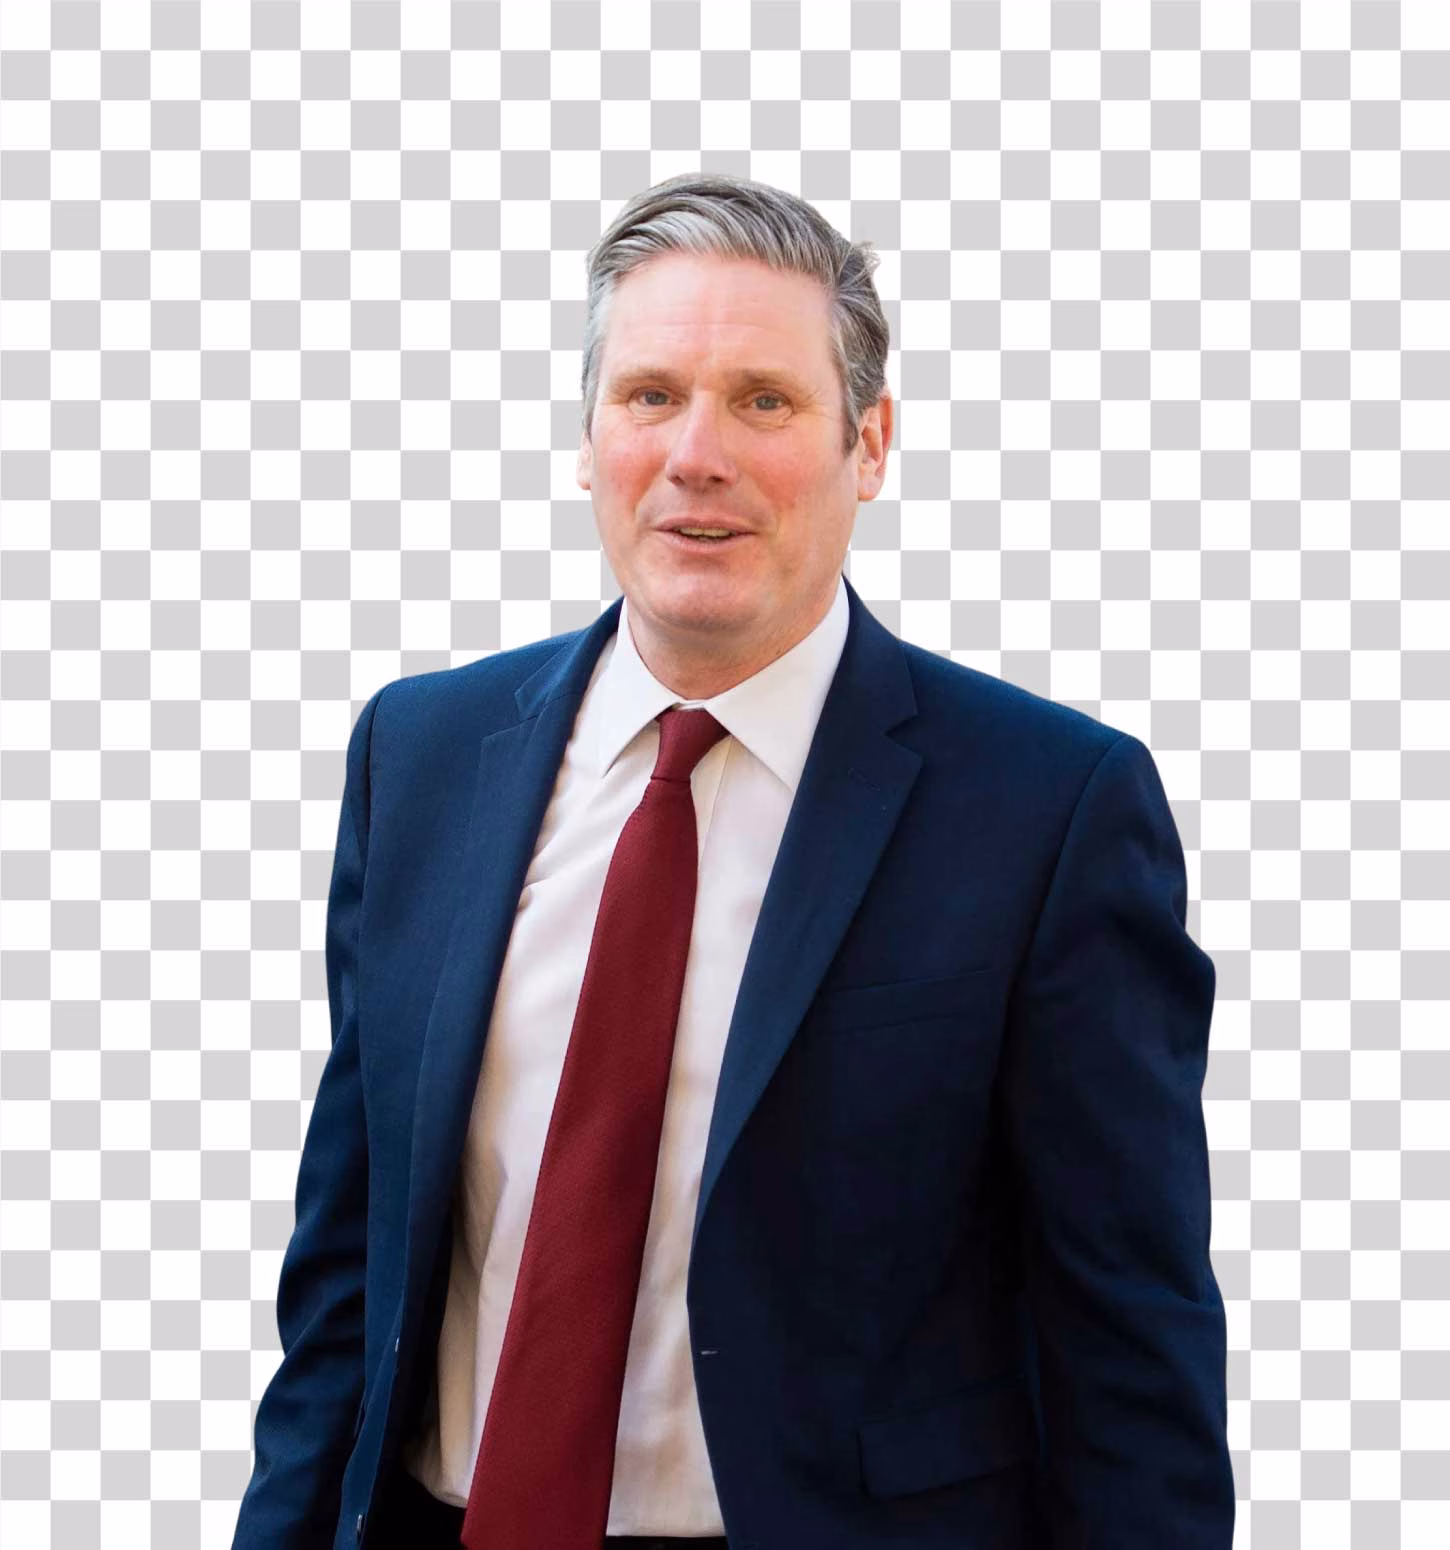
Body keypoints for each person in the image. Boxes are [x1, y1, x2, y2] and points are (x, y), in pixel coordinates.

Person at [232, 172, 1233, 1550]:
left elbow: (1128, 1336)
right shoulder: (421, 757)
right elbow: (345, 1275)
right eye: (651, 395)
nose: (696, 454)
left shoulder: (1048, 809)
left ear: (868, 443)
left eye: (763, 401)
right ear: (589, 437)